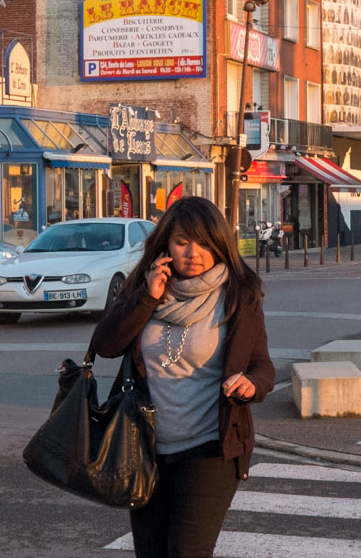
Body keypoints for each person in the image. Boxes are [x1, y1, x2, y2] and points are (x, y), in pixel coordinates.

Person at [92, 196, 273, 558]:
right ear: (165, 245)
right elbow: (106, 345)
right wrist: (147, 297)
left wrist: (250, 386)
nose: (194, 252)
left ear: (219, 244)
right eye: (182, 241)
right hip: (143, 450)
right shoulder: (145, 288)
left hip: (211, 450)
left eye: (204, 242)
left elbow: (262, 367)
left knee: (188, 551)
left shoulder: (239, 294)